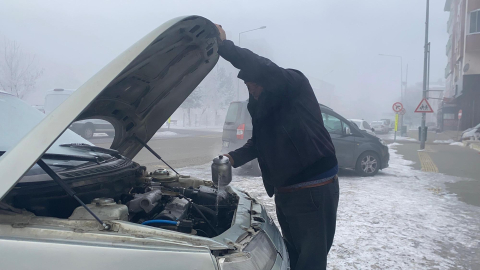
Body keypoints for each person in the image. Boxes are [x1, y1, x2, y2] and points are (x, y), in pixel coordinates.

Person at [216, 24, 340, 270]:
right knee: (291, 252)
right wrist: (232, 157)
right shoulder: (261, 105)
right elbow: (260, 143)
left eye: (254, 83)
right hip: (287, 191)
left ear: (266, 79)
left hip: (313, 188)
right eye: (247, 85)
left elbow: (263, 66)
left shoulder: (293, 84)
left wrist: (224, 47)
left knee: (311, 259)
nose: (250, 88)